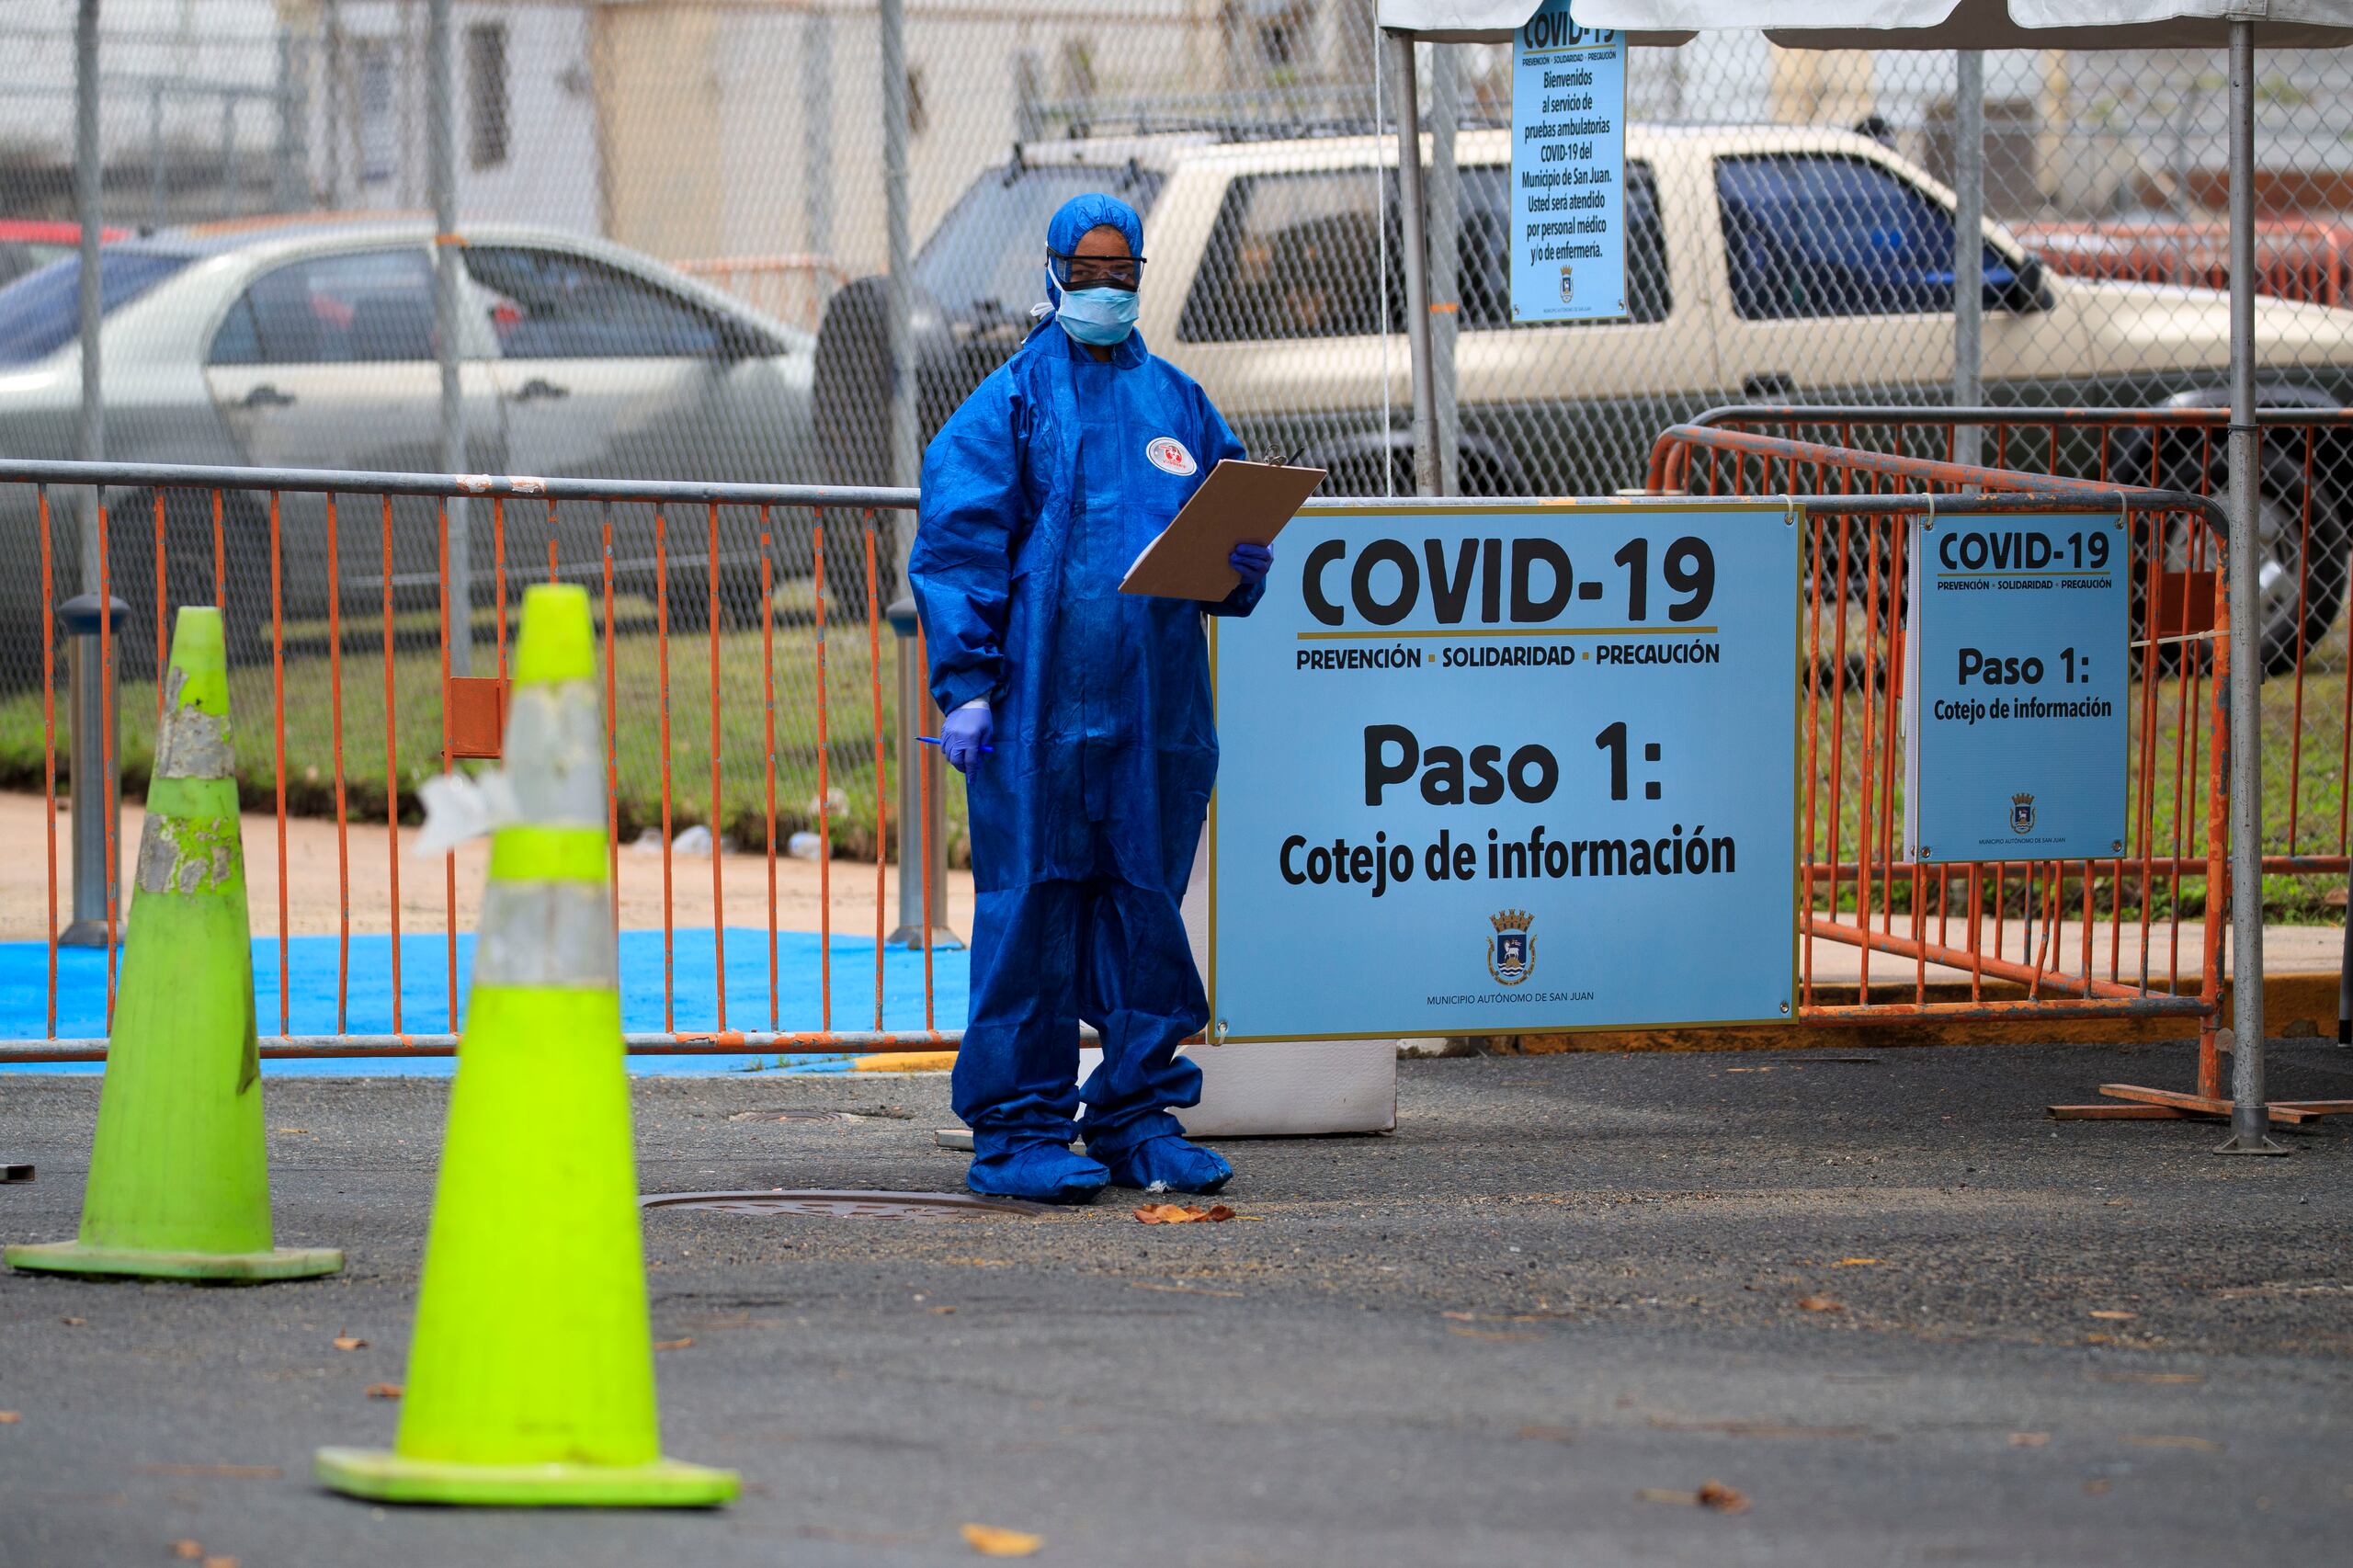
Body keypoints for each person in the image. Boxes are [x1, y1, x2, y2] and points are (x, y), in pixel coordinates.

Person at [909, 193, 1274, 1204]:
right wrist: (966, 685)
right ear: (1053, 270)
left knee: (1144, 909)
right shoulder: (1008, 404)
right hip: (1032, 722)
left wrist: (1242, 566)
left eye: (1124, 273)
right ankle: (1017, 1129)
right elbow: (958, 548)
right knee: (1030, 911)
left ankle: (1137, 1115)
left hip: (1153, 716)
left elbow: (1224, 547)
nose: (1106, 288)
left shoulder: (1179, 405)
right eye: (1091, 270)